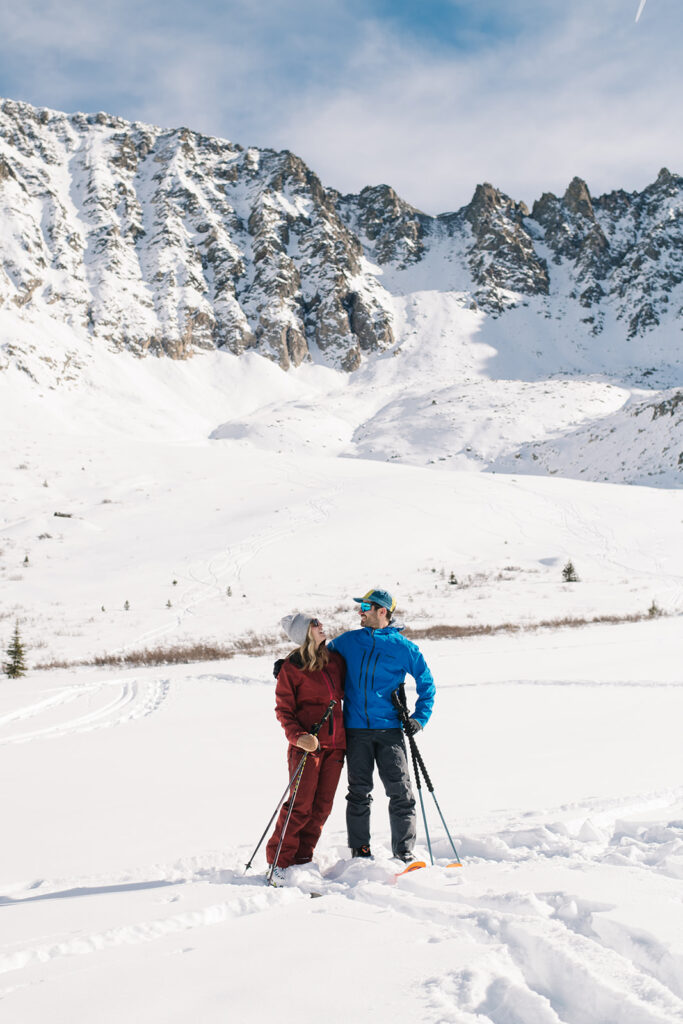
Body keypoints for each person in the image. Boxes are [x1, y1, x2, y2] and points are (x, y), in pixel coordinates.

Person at [326, 588, 435, 864]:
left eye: (364, 606)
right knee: (358, 792)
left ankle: (404, 852)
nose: (360, 611)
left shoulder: (403, 647)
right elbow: (317, 658)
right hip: (355, 730)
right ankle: (360, 851)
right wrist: (289, 665)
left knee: (401, 792)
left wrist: (419, 719)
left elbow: (427, 685)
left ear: (381, 611)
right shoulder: (348, 642)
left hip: (390, 731)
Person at [266, 613, 346, 885]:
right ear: (304, 633)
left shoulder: (334, 661)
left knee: (322, 808)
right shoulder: (291, 668)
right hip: (306, 748)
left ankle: (302, 859)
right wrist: (299, 737)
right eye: (315, 624)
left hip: (336, 747)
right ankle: (279, 861)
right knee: (300, 806)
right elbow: (283, 711)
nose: (321, 626)